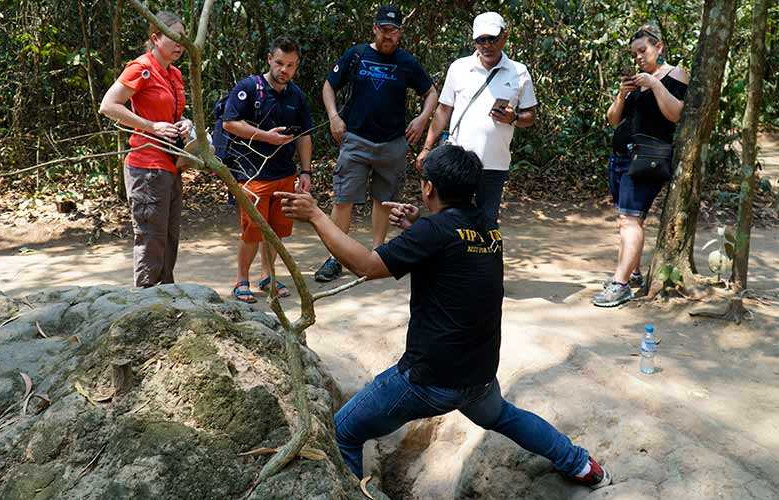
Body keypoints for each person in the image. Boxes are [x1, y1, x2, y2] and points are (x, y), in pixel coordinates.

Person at [275, 144, 611, 490]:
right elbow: (453, 250)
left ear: (429, 188)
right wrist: (416, 224)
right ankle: (582, 464)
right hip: (478, 377)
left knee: (343, 430)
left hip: (428, 380)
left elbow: (366, 266)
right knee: (505, 417)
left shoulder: (434, 232)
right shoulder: (487, 229)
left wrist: (317, 215)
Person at [313, 5, 438, 282]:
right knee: (344, 199)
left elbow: (430, 92)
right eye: (384, 30)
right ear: (375, 29)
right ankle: (335, 257)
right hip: (356, 139)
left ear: (400, 33)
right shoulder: (356, 54)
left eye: (393, 31)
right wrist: (334, 117)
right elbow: (328, 85)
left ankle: (378, 253)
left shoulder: (407, 62)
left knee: (384, 200)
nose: (388, 36)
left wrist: (421, 119)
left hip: (393, 143)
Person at [593, 24, 688, 307]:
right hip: (621, 158)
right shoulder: (637, 81)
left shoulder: (674, 74)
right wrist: (622, 93)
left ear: (658, 47)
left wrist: (655, 83)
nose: (638, 57)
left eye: (642, 50)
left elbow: (674, 115)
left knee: (629, 220)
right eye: (634, 53)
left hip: (648, 158)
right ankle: (632, 273)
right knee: (628, 220)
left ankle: (620, 284)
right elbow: (613, 119)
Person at [419, 11, 537, 229]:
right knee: (451, 221)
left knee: (486, 222)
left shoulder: (519, 72)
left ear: (505, 36)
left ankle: (485, 263)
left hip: (494, 165)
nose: (486, 45)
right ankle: (451, 263)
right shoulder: (459, 67)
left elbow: (530, 116)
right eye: (480, 40)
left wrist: (513, 118)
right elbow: (444, 110)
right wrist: (427, 148)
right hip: (457, 162)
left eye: (492, 39)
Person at [100, 11, 191, 288]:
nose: (180, 44)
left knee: (170, 237)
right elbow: (108, 106)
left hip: (172, 164)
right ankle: (145, 304)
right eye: (174, 37)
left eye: (183, 38)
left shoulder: (174, 73)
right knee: (152, 239)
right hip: (147, 166)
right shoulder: (141, 67)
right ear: (155, 37)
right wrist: (151, 126)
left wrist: (183, 123)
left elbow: (173, 115)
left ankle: (167, 300)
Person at [222, 36, 314, 303]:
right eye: (280, 63)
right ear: (269, 60)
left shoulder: (296, 95)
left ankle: (268, 276)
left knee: (276, 231)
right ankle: (241, 280)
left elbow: (305, 135)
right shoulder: (249, 88)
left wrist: (305, 172)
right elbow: (230, 123)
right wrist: (265, 136)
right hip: (252, 174)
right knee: (253, 230)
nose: (284, 70)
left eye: (291, 65)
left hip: (285, 173)